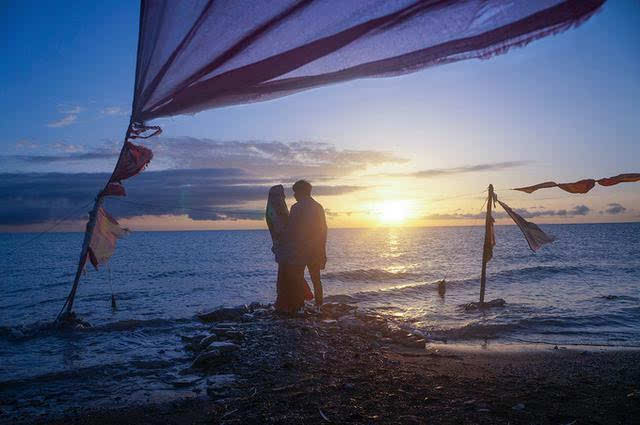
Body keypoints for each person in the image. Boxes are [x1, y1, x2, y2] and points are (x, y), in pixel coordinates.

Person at [266, 185, 313, 314]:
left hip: (288, 251)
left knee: (288, 276)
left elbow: (288, 230)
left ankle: (291, 303)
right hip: (288, 251)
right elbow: (286, 231)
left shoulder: (278, 210)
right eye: (281, 196)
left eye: (283, 196)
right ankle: (291, 303)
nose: (284, 198)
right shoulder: (279, 211)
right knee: (288, 276)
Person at [281, 180, 327, 308]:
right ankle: (319, 306)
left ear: (301, 192)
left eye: (295, 192)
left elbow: (291, 229)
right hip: (316, 249)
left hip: (300, 249)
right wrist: (323, 251)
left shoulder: (296, 207)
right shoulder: (318, 207)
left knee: (297, 277)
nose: (294, 195)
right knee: (316, 279)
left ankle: (301, 304)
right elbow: (324, 230)